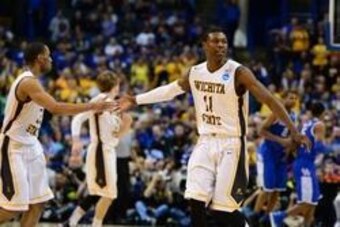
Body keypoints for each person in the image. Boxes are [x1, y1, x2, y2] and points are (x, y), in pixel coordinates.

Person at [117, 26, 309, 227]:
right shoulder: (195, 72)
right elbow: (170, 90)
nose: (220, 45)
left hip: (231, 143)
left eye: (224, 42)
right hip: (206, 140)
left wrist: (294, 130)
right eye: (215, 41)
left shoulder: (238, 72)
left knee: (223, 212)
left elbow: (269, 99)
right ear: (204, 45)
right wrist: (136, 99)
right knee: (196, 200)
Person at [0, 42, 116, 227]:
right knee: (13, 207)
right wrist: (93, 106)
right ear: (40, 58)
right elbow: (55, 108)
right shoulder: (27, 82)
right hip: (13, 145)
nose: (52, 59)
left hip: (31, 145)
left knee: (38, 203)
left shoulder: (36, 81)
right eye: (49, 55)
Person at [67, 70, 132, 227]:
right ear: (115, 85)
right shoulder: (101, 100)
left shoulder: (112, 105)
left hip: (108, 150)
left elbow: (115, 135)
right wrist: (76, 140)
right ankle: (91, 224)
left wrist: (126, 125)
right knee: (108, 193)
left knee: (101, 192)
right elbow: (78, 118)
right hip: (100, 150)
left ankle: (71, 222)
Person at [270, 102, 331, 227]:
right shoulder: (320, 125)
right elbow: (319, 147)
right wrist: (332, 140)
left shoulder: (306, 123)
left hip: (304, 163)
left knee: (314, 201)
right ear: (323, 113)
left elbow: (297, 142)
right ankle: (278, 216)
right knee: (307, 202)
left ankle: (306, 225)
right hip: (305, 164)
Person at [253, 90, 298, 219]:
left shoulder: (294, 116)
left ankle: (267, 217)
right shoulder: (276, 114)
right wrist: (280, 140)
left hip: (281, 156)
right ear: (283, 99)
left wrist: (288, 151)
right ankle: (254, 216)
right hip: (269, 153)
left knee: (278, 189)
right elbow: (260, 130)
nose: (293, 100)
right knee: (267, 188)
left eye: (295, 98)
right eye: (290, 97)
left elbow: (291, 137)